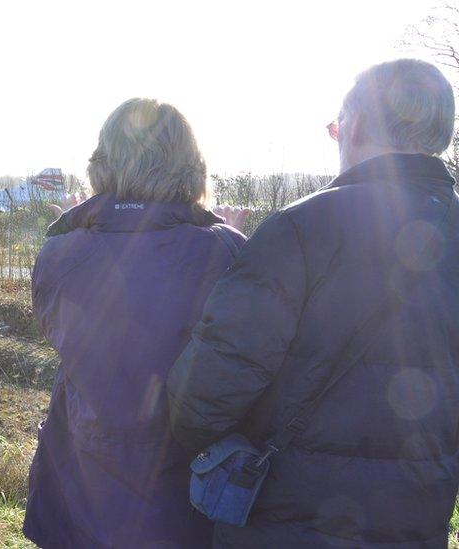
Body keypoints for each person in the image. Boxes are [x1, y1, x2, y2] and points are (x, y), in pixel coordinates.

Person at [167, 58, 459, 548]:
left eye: (336, 125)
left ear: (356, 124)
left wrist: (196, 443)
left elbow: (209, 387)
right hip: (415, 519)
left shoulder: (298, 230)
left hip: (285, 519)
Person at [22, 98, 248, 548]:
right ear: (191, 166)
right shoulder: (226, 252)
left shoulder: (59, 254)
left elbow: (55, 325)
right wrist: (237, 240)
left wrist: (78, 228)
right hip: (182, 494)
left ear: (103, 163)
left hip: (80, 486)